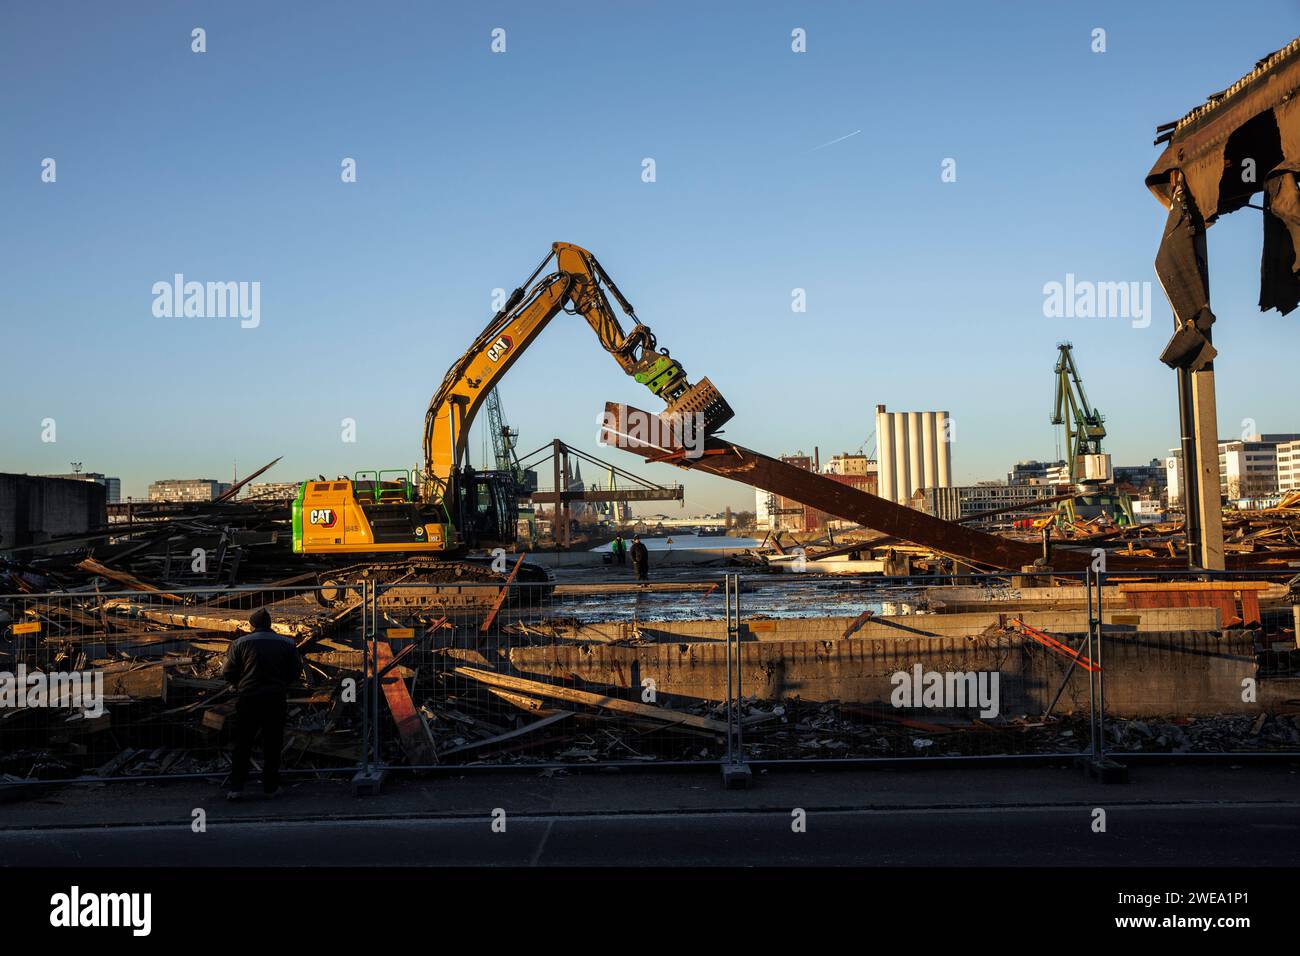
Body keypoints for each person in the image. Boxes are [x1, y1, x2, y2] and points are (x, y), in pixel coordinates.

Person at [221, 608, 303, 800]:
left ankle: (237, 787)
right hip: (275, 698)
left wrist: (238, 684)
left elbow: (227, 671)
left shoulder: (240, 643)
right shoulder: (287, 643)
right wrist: (283, 684)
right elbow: (295, 671)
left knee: (243, 743)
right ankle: (270, 787)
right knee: (273, 744)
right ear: (270, 624)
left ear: (252, 625)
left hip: (248, 698)